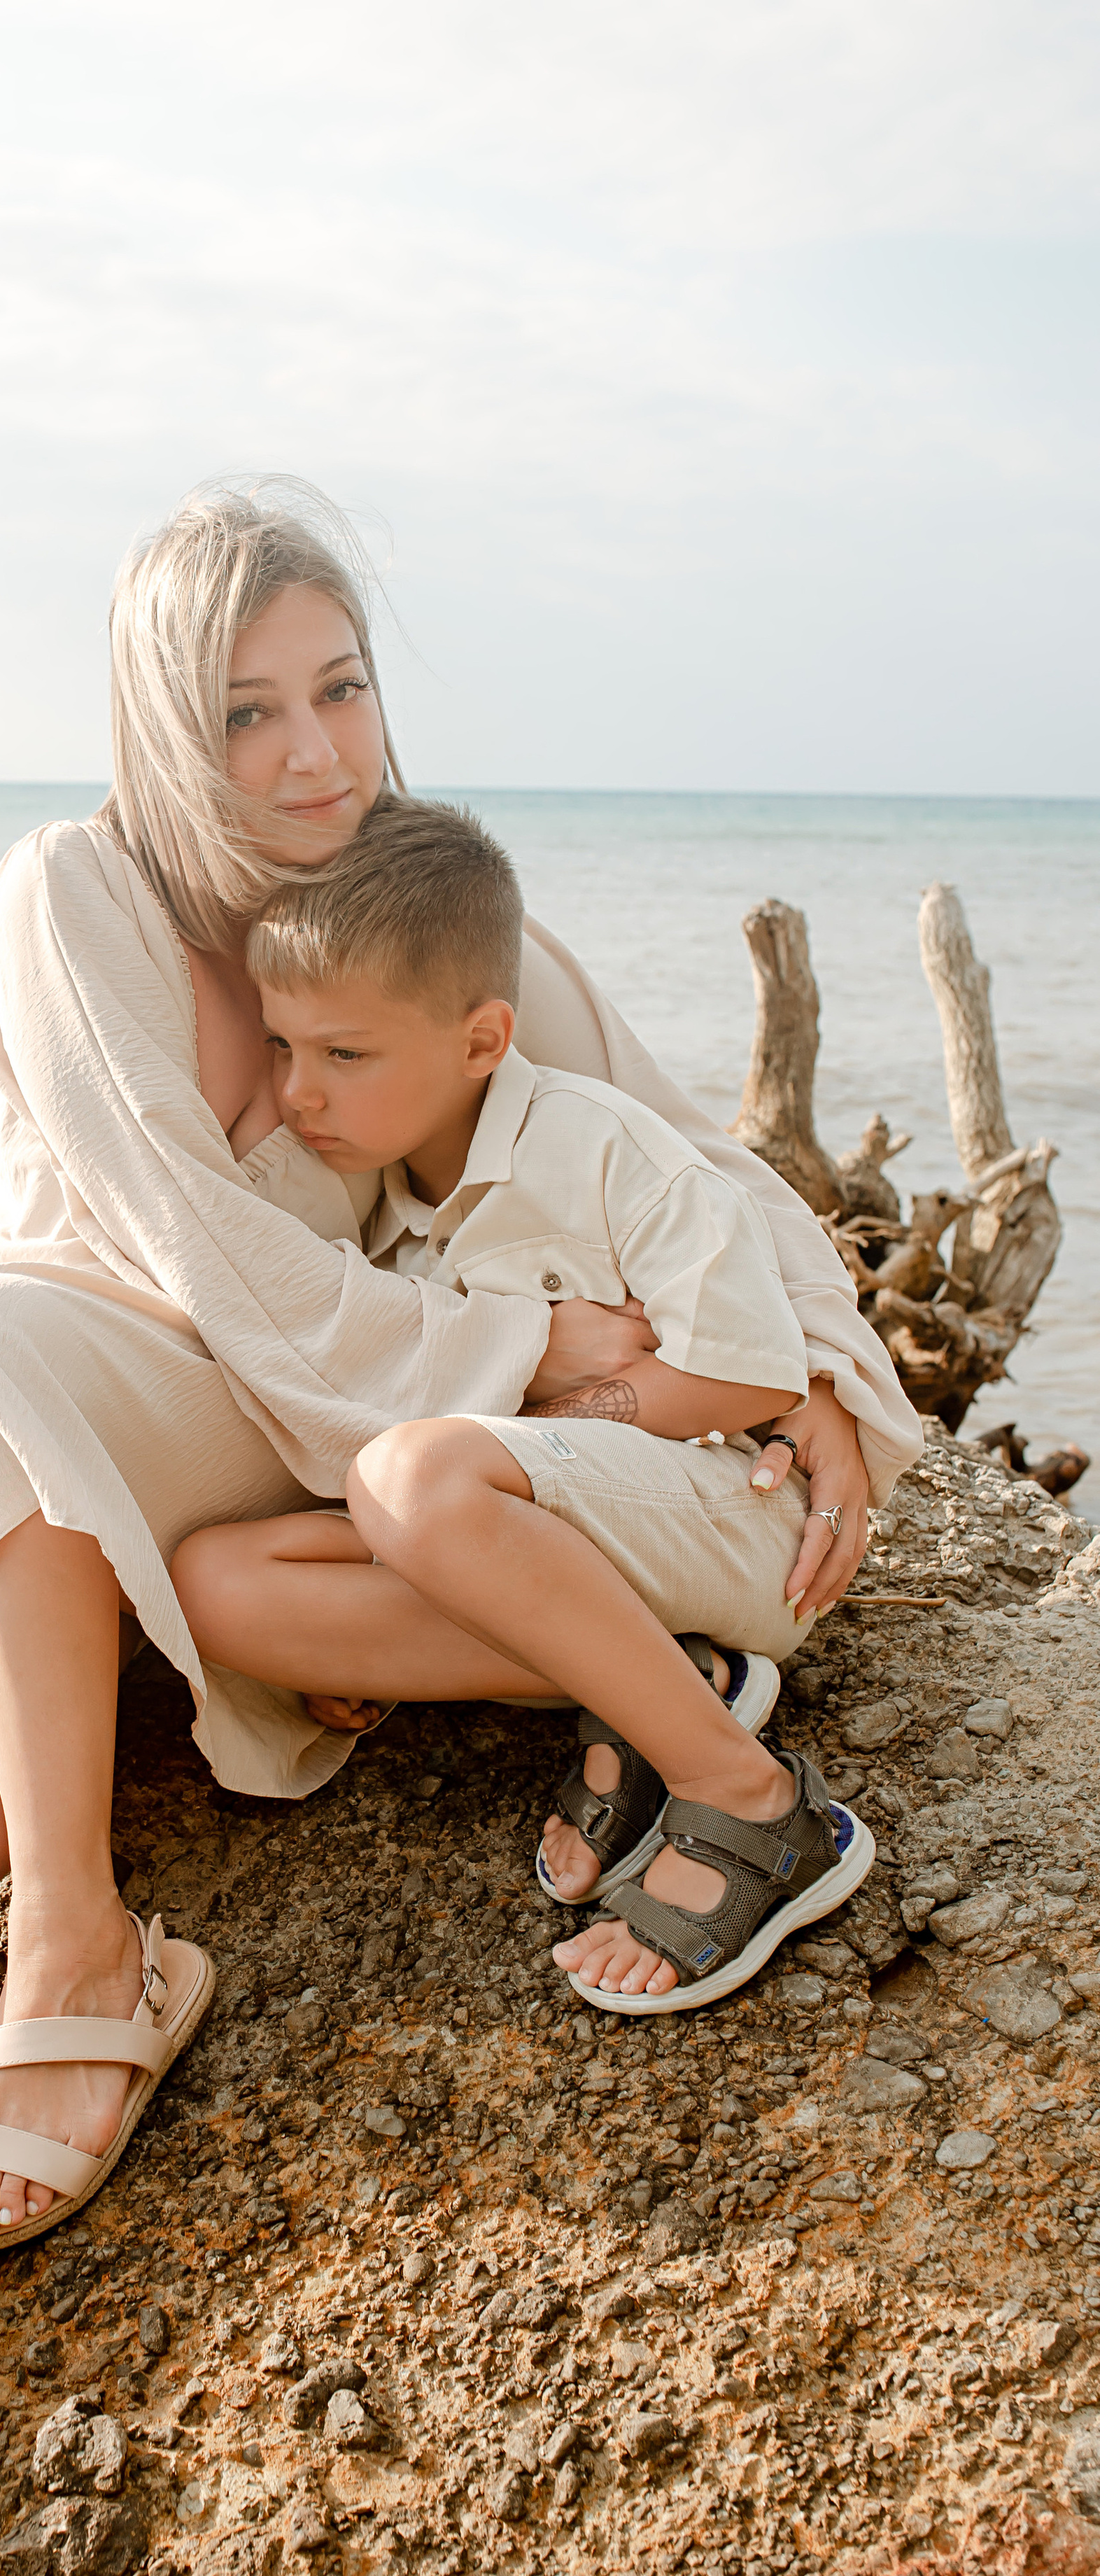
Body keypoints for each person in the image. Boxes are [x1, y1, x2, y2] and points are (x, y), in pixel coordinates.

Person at [0, 479, 920, 2576]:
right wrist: (536, 1350)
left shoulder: (418, 911)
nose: (309, 755)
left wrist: (823, 1372)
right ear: (156, 729)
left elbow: (682, 1149)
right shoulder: (69, 895)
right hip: (106, 1409)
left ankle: (102, 1946)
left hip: (283, 1456)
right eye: (245, 711)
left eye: (340, 690)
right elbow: (204, 1265)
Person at [172, 794, 877, 2013]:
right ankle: (668, 1680)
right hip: (575, 1546)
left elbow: (749, 1373)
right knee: (212, 1584)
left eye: (345, 1055)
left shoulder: (599, 1147)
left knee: (411, 1474)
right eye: (282, 1048)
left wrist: (527, 1438)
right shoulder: (385, 1217)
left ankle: (754, 1801)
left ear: (482, 1041)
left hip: (744, 1525)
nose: (297, 1094)